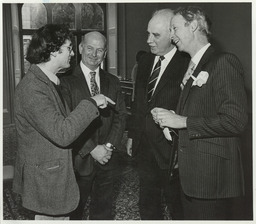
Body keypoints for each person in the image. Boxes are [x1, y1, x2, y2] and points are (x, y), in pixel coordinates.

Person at [151, 6, 248, 220]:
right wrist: (171, 124)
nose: (172, 35)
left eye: (175, 28)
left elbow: (236, 120)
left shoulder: (223, 62)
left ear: (193, 25)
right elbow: (201, 112)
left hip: (212, 179)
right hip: (192, 176)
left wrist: (183, 121)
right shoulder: (193, 66)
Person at [12, 24, 115, 220]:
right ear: (53, 50)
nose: (72, 53)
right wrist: (91, 102)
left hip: (53, 176)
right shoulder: (33, 88)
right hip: (45, 181)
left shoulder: (48, 81)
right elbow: (63, 133)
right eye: (68, 47)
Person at [126, 9, 190, 220]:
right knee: (147, 202)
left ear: (172, 35)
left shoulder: (186, 64)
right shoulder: (145, 62)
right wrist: (133, 135)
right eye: (148, 33)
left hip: (172, 151)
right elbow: (138, 104)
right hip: (145, 147)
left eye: (156, 35)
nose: (148, 41)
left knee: (177, 205)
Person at [60, 31, 127, 220]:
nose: (94, 54)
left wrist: (108, 147)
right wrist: (91, 149)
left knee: (103, 211)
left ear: (105, 53)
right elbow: (66, 120)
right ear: (81, 48)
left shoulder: (112, 81)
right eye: (89, 48)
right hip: (78, 159)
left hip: (107, 158)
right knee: (74, 212)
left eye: (99, 50)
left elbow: (120, 116)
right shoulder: (65, 81)